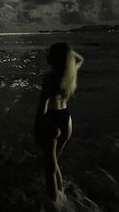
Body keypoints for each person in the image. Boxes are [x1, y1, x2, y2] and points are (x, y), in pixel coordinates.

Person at [33, 42, 84, 202]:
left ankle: (55, 205)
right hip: (66, 120)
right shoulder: (70, 74)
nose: (47, 56)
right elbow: (80, 59)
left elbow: (44, 104)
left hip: (52, 120)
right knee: (54, 163)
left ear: (55, 59)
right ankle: (64, 200)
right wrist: (69, 54)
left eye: (50, 54)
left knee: (50, 170)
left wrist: (36, 126)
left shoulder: (50, 77)